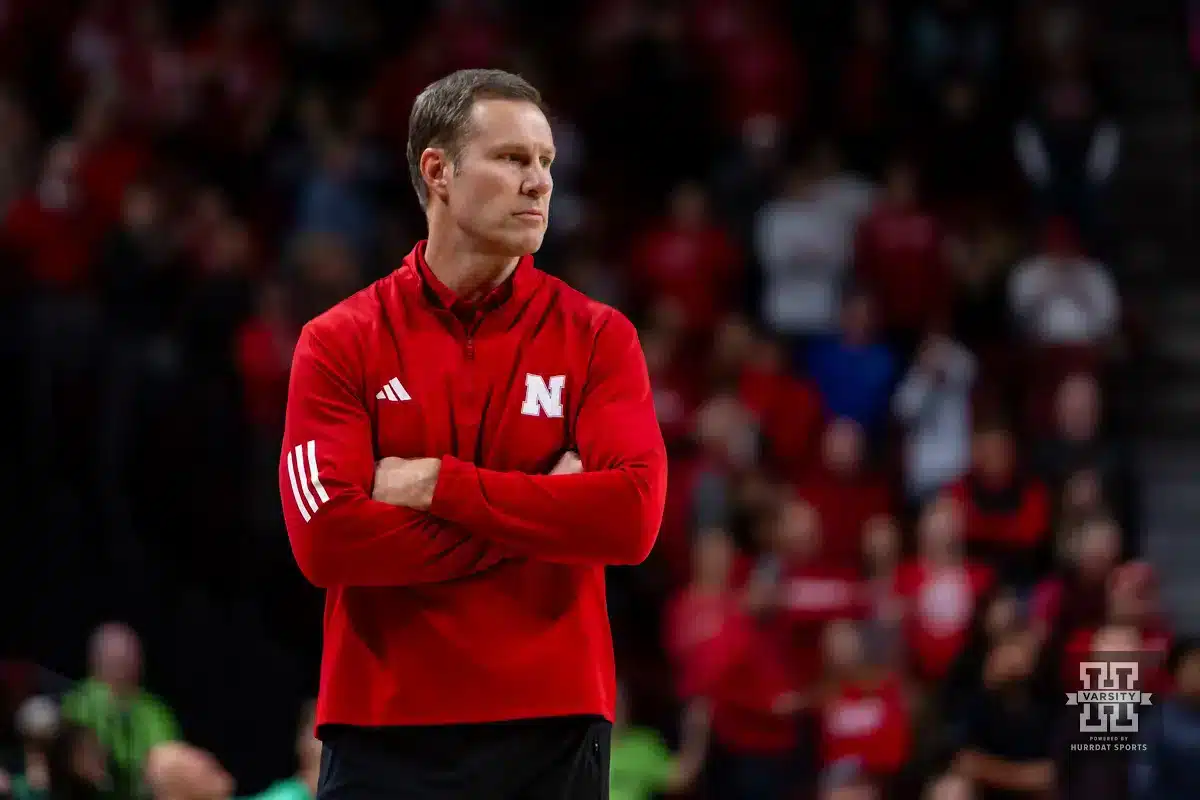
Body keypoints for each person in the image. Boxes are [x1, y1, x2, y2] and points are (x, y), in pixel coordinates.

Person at [278, 69, 668, 800]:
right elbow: (325, 538)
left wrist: (436, 485)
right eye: (513, 159)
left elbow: (632, 518)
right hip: (382, 724)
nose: (539, 183)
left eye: (546, 163)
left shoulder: (599, 337)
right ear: (439, 171)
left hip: (552, 724)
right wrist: (546, 514)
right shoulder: (338, 341)